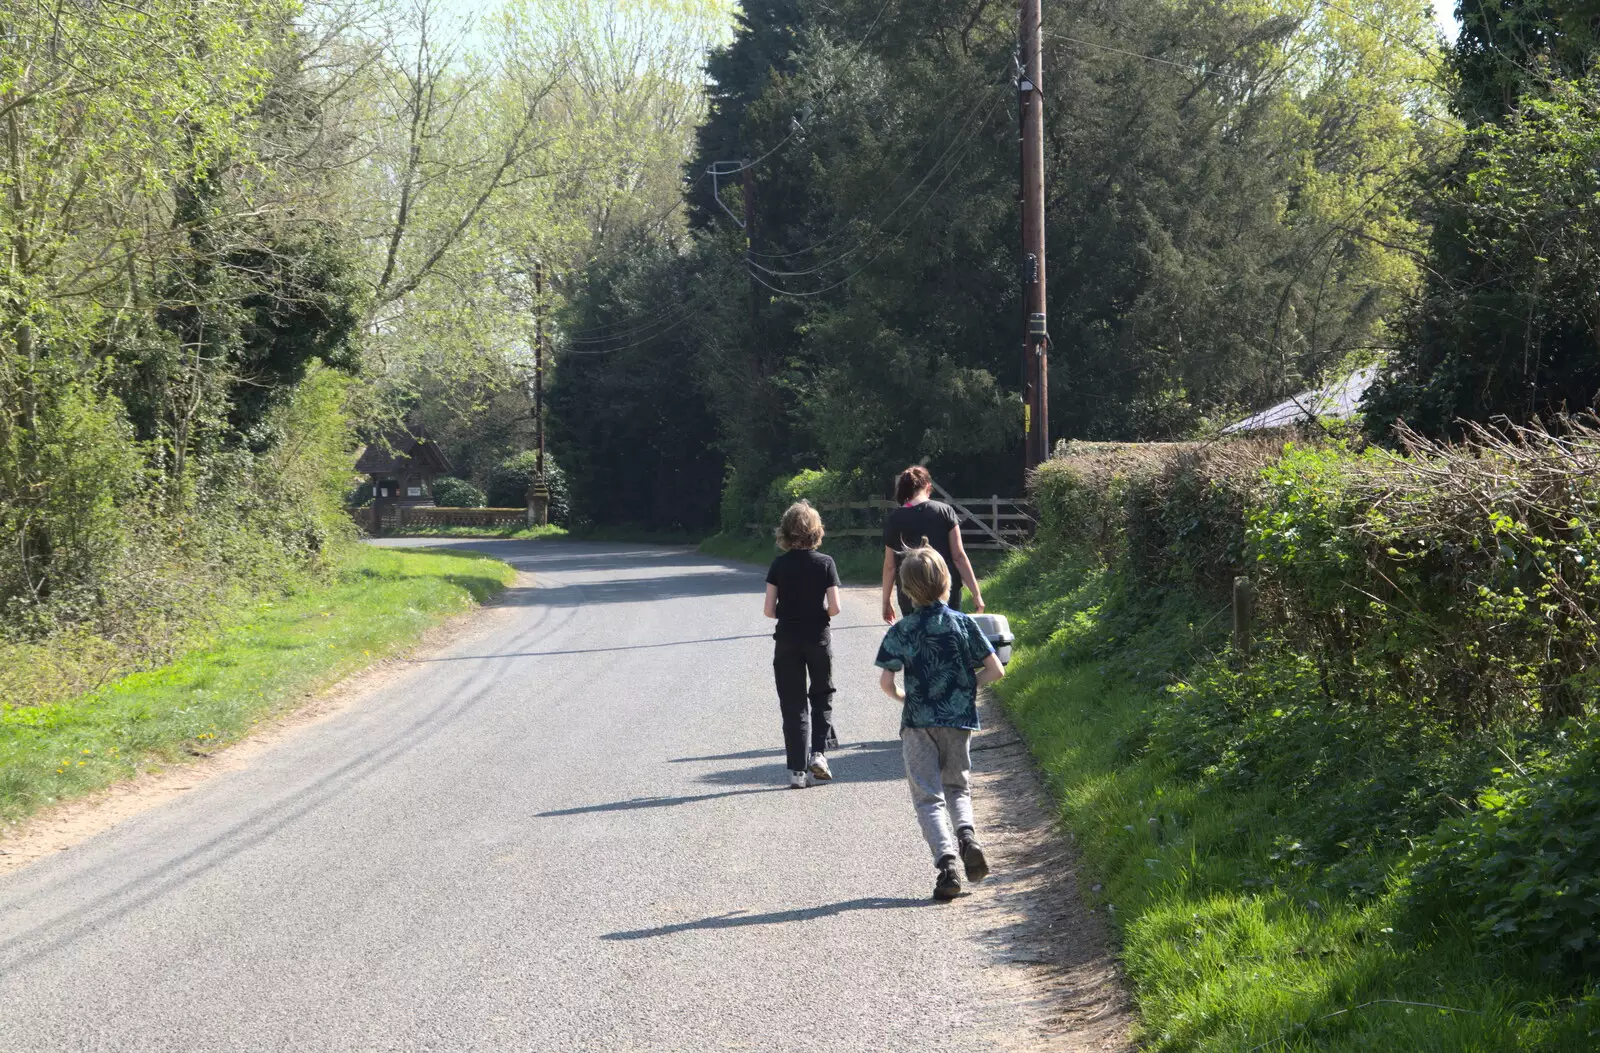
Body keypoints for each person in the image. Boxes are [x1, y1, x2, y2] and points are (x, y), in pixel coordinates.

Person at [875, 540, 1005, 901]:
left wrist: (904, 698)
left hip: (918, 722)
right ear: (947, 583)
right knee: (957, 787)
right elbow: (995, 671)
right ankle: (967, 835)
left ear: (905, 589)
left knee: (927, 796)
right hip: (958, 719)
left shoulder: (901, 631)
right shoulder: (964, 624)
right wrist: (964, 687)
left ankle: (947, 865)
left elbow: (887, 682)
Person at [764, 501, 843, 789]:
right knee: (821, 694)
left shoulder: (778, 565)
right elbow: (835, 607)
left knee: (793, 703)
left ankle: (796, 771)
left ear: (785, 532)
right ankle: (819, 754)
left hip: (786, 640)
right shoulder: (826, 563)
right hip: (818, 638)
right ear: (816, 531)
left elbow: (769, 610)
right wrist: (818, 612)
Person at [880, 465, 984, 623]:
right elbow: (959, 556)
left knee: (918, 641)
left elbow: (890, 566)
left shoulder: (894, 518)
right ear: (928, 486)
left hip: (910, 592)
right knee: (949, 639)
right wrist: (976, 594)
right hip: (945, 590)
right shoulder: (945, 511)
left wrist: (886, 602)